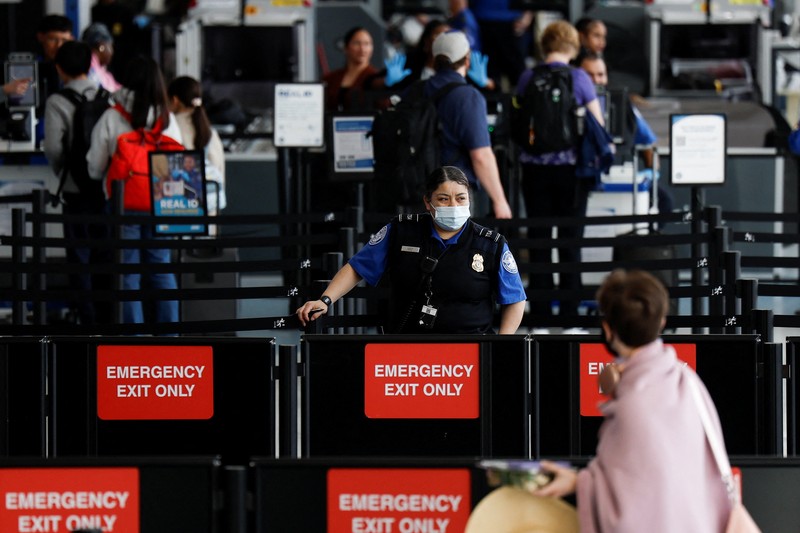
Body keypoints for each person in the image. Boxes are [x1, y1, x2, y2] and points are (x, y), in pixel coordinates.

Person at [533, 269, 732, 532]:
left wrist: (577, 481)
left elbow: (625, 509)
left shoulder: (632, 406)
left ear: (608, 328)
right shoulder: (688, 381)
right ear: (661, 322)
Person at [296, 166, 526, 334]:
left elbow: (515, 298)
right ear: (428, 202)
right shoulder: (402, 230)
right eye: (443, 199)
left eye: (460, 198)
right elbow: (358, 267)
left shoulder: (490, 243)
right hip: (408, 348)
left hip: (471, 351)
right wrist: (325, 300)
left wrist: (501, 345)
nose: (453, 206)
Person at [515, 20, 604, 317]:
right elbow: (598, 126)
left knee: (539, 241)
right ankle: (569, 313)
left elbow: (517, 121)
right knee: (570, 241)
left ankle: (539, 312)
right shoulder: (579, 78)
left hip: (533, 170)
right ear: (572, 46)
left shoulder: (528, 77)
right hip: (572, 172)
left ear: (545, 46)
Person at [87, 55, 183, 328]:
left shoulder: (111, 115)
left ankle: (133, 336)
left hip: (122, 203)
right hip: (162, 203)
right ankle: (170, 335)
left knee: (127, 272)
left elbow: (95, 166)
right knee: (161, 268)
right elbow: (178, 161)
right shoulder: (167, 119)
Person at [42, 40, 111, 326]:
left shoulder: (57, 102)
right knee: (105, 253)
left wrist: (65, 174)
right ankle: (109, 319)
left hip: (74, 191)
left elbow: (54, 149)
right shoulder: (106, 97)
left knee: (78, 257)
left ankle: (87, 321)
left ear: (59, 69)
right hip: (105, 190)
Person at [425, 31, 511, 218]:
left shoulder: (417, 90)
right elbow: (481, 155)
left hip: (416, 188)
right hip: (453, 192)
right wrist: (499, 200)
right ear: (467, 60)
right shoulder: (467, 96)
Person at [579, 53, 674, 219]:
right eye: (589, 75)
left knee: (664, 202)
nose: (595, 80)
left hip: (620, 173)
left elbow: (648, 143)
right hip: (581, 176)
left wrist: (650, 176)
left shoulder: (622, 104)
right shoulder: (571, 102)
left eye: (600, 75)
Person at [167, 75, 226, 214]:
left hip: (179, 206)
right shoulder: (209, 132)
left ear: (175, 100)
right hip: (209, 204)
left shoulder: (170, 128)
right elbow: (219, 169)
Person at [323, 27, 408, 111]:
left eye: (367, 44)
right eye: (357, 43)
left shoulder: (374, 76)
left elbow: (376, 86)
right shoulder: (331, 78)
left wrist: (386, 83)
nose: (362, 49)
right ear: (346, 47)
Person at [469, 0, 532, 86]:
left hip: (512, 21)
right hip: (482, 20)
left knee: (519, 76)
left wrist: (528, 14)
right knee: (486, 75)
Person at [81, 22, 122, 93]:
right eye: (110, 46)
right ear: (101, 47)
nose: (112, 52)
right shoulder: (90, 69)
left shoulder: (101, 69)